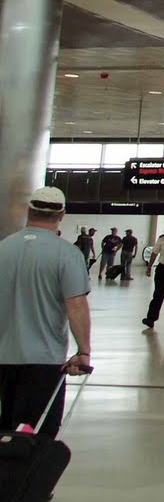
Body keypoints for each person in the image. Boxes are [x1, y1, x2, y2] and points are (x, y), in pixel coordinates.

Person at [0, 187, 92, 442]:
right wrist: (83, 352)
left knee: (4, 436)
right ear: (61, 215)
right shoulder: (67, 254)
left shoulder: (3, 248)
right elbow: (76, 306)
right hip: (43, 364)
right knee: (33, 439)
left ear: (29, 210)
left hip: (2, 361)